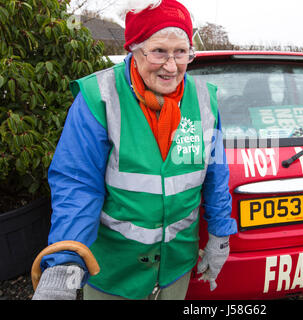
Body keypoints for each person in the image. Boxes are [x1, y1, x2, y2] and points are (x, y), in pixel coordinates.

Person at [32, 0, 237, 300]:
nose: (172, 66)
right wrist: (65, 258)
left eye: (181, 52)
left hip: (175, 268)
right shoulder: (99, 98)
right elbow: (77, 184)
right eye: (159, 52)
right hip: (113, 272)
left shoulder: (205, 99)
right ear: (134, 49)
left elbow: (215, 173)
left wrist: (220, 233)